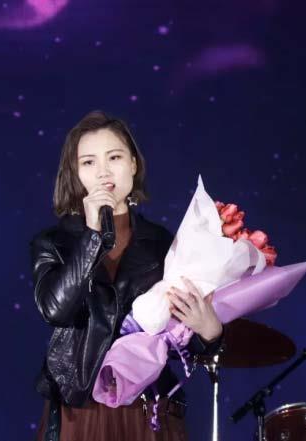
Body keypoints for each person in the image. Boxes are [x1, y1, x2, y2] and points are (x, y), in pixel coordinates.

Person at [31, 110, 223, 441]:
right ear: (76, 173)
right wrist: (93, 236)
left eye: (114, 157)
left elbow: (181, 341)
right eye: (89, 162)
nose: (103, 171)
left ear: (133, 164)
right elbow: (56, 310)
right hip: (82, 408)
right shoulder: (53, 242)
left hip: (148, 406)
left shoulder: (163, 242)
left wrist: (210, 332)